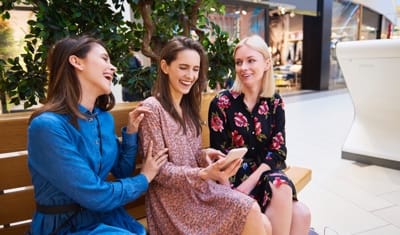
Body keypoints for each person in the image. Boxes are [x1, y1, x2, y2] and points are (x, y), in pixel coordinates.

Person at [27, 35, 168, 235]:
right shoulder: (47, 127)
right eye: (104, 58)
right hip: (64, 227)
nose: (113, 67)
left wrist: (131, 132)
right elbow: (95, 195)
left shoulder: (103, 118)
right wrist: (144, 178)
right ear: (76, 61)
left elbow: (122, 171)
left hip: (103, 217)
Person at [138, 36, 272, 235]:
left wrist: (205, 155)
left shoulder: (187, 106)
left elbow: (189, 156)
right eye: (183, 67)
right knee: (251, 211)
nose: (190, 75)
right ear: (165, 67)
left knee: (264, 222)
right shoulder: (152, 109)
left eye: (195, 69)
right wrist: (202, 173)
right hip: (173, 204)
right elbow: (159, 171)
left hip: (198, 192)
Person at [208, 34, 311, 235]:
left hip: (264, 176)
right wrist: (237, 190)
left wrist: (251, 182)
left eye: (251, 60)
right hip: (231, 181)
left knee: (301, 212)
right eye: (239, 62)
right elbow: (219, 157)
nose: (243, 67)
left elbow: (278, 151)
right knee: (292, 206)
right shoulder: (222, 103)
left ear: (266, 63)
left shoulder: (274, 102)